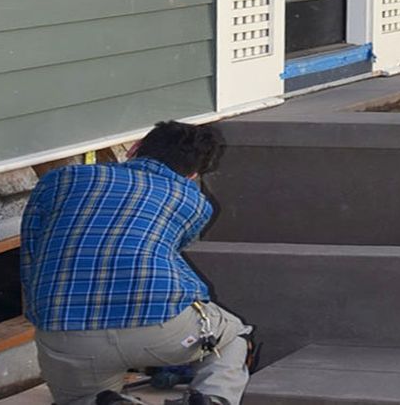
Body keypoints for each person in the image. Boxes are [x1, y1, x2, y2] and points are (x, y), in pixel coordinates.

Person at [18, 120, 250, 405]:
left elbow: (32, 251)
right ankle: (214, 399)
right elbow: (162, 258)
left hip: (66, 331)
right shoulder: (194, 201)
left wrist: (43, 313)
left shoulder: (61, 179)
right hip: (162, 329)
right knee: (231, 337)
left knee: (84, 399)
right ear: (192, 174)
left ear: (134, 148)